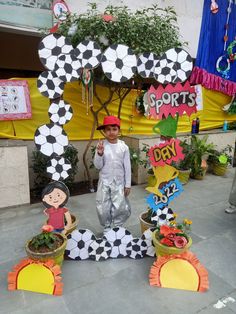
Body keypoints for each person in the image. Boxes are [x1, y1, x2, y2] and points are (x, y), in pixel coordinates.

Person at [94, 115, 131, 232]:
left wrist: (128, 184)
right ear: (104, 131)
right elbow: (97, 166)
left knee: (120, 205)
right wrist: (99, 154)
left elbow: (127, 166)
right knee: (103, 205)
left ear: (119, 130)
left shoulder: (123, 147)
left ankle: (118, 226)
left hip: (119, 182)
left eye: (114, 129)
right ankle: (107, 226)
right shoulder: (101, 146)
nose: (111, 132)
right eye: (108, 129)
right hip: (104, 181)